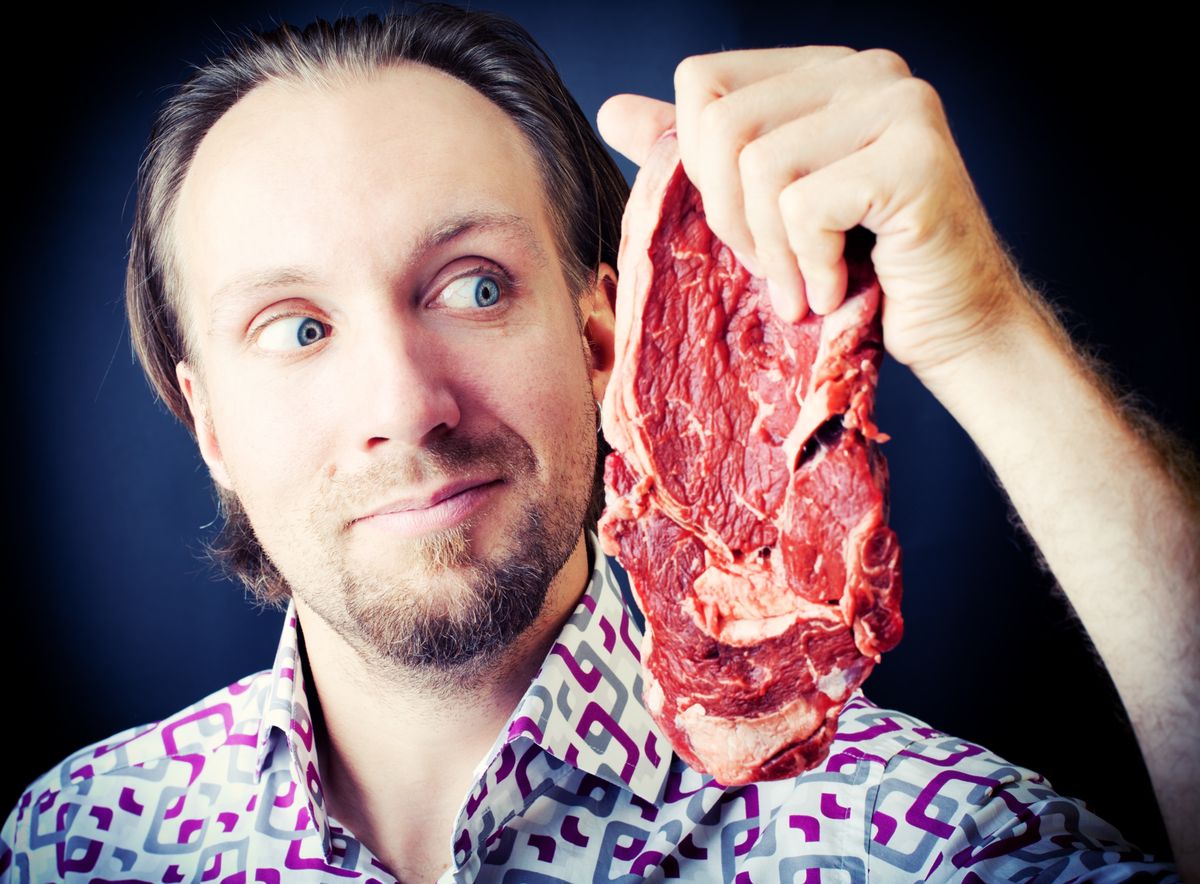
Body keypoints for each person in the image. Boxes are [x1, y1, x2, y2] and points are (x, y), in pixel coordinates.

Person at [2, 5, 1194, 882]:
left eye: (472, 287)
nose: (406, 404)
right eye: (298, 325)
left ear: (604, 334)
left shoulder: (931, 842)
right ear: (208, 421)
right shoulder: (83, 838)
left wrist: (988, 332)